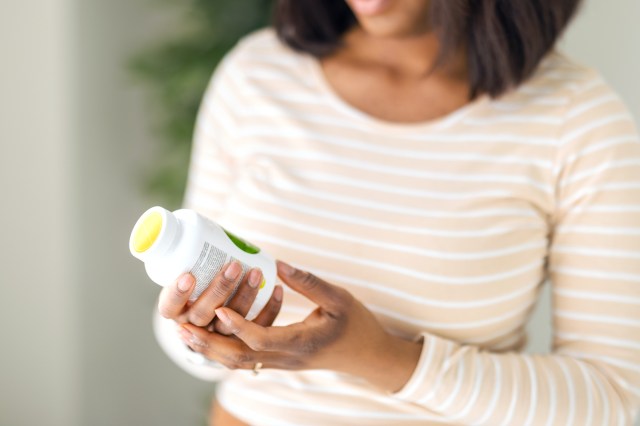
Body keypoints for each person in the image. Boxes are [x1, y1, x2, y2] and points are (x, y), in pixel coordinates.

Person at [152, 0, 640, 424]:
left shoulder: (577, 121)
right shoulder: (257, 74)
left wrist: (380, 357)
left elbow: (612, 397)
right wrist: (204, 335)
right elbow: (175, 326)